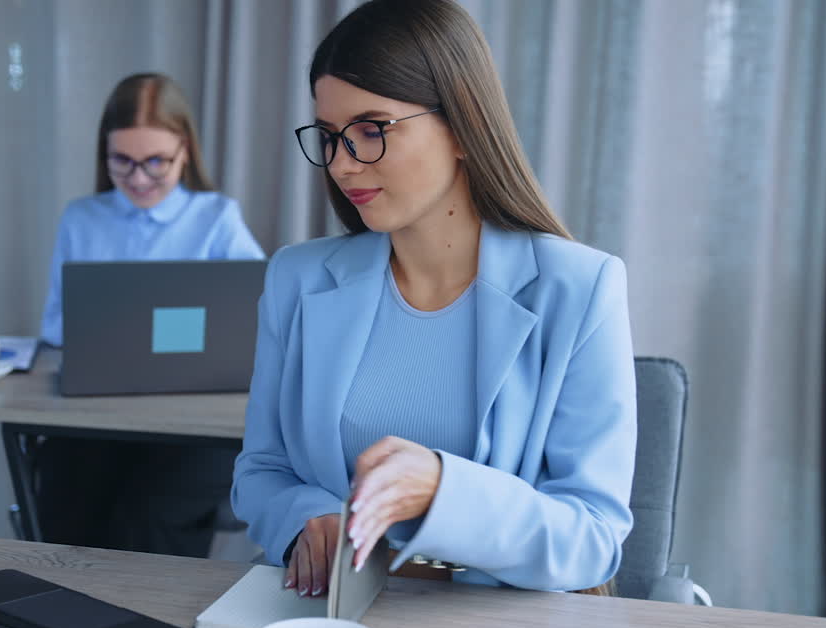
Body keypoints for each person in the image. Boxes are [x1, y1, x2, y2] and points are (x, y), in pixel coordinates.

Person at [230, 0, 636, 597]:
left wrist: (445, 491)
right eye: (329, 137)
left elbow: (592, 538)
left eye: (371, 130)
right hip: (327, 621)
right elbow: (262, 470)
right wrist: (304, 517)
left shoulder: (580, 288)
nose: (341, 165)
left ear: (462, 129)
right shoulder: (298, 278)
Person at [33, 73, 263, 558]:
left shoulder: (217, 218)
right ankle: (64, 626)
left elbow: (253, 319)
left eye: (155, 162)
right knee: (66, 500)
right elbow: (54, 324)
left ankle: (150, 627)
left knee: (151, 516)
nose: (138, 178)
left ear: (185, 151)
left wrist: (142, 330)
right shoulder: (82, 218)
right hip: (96, 414)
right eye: (123, 161)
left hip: (192, 422)